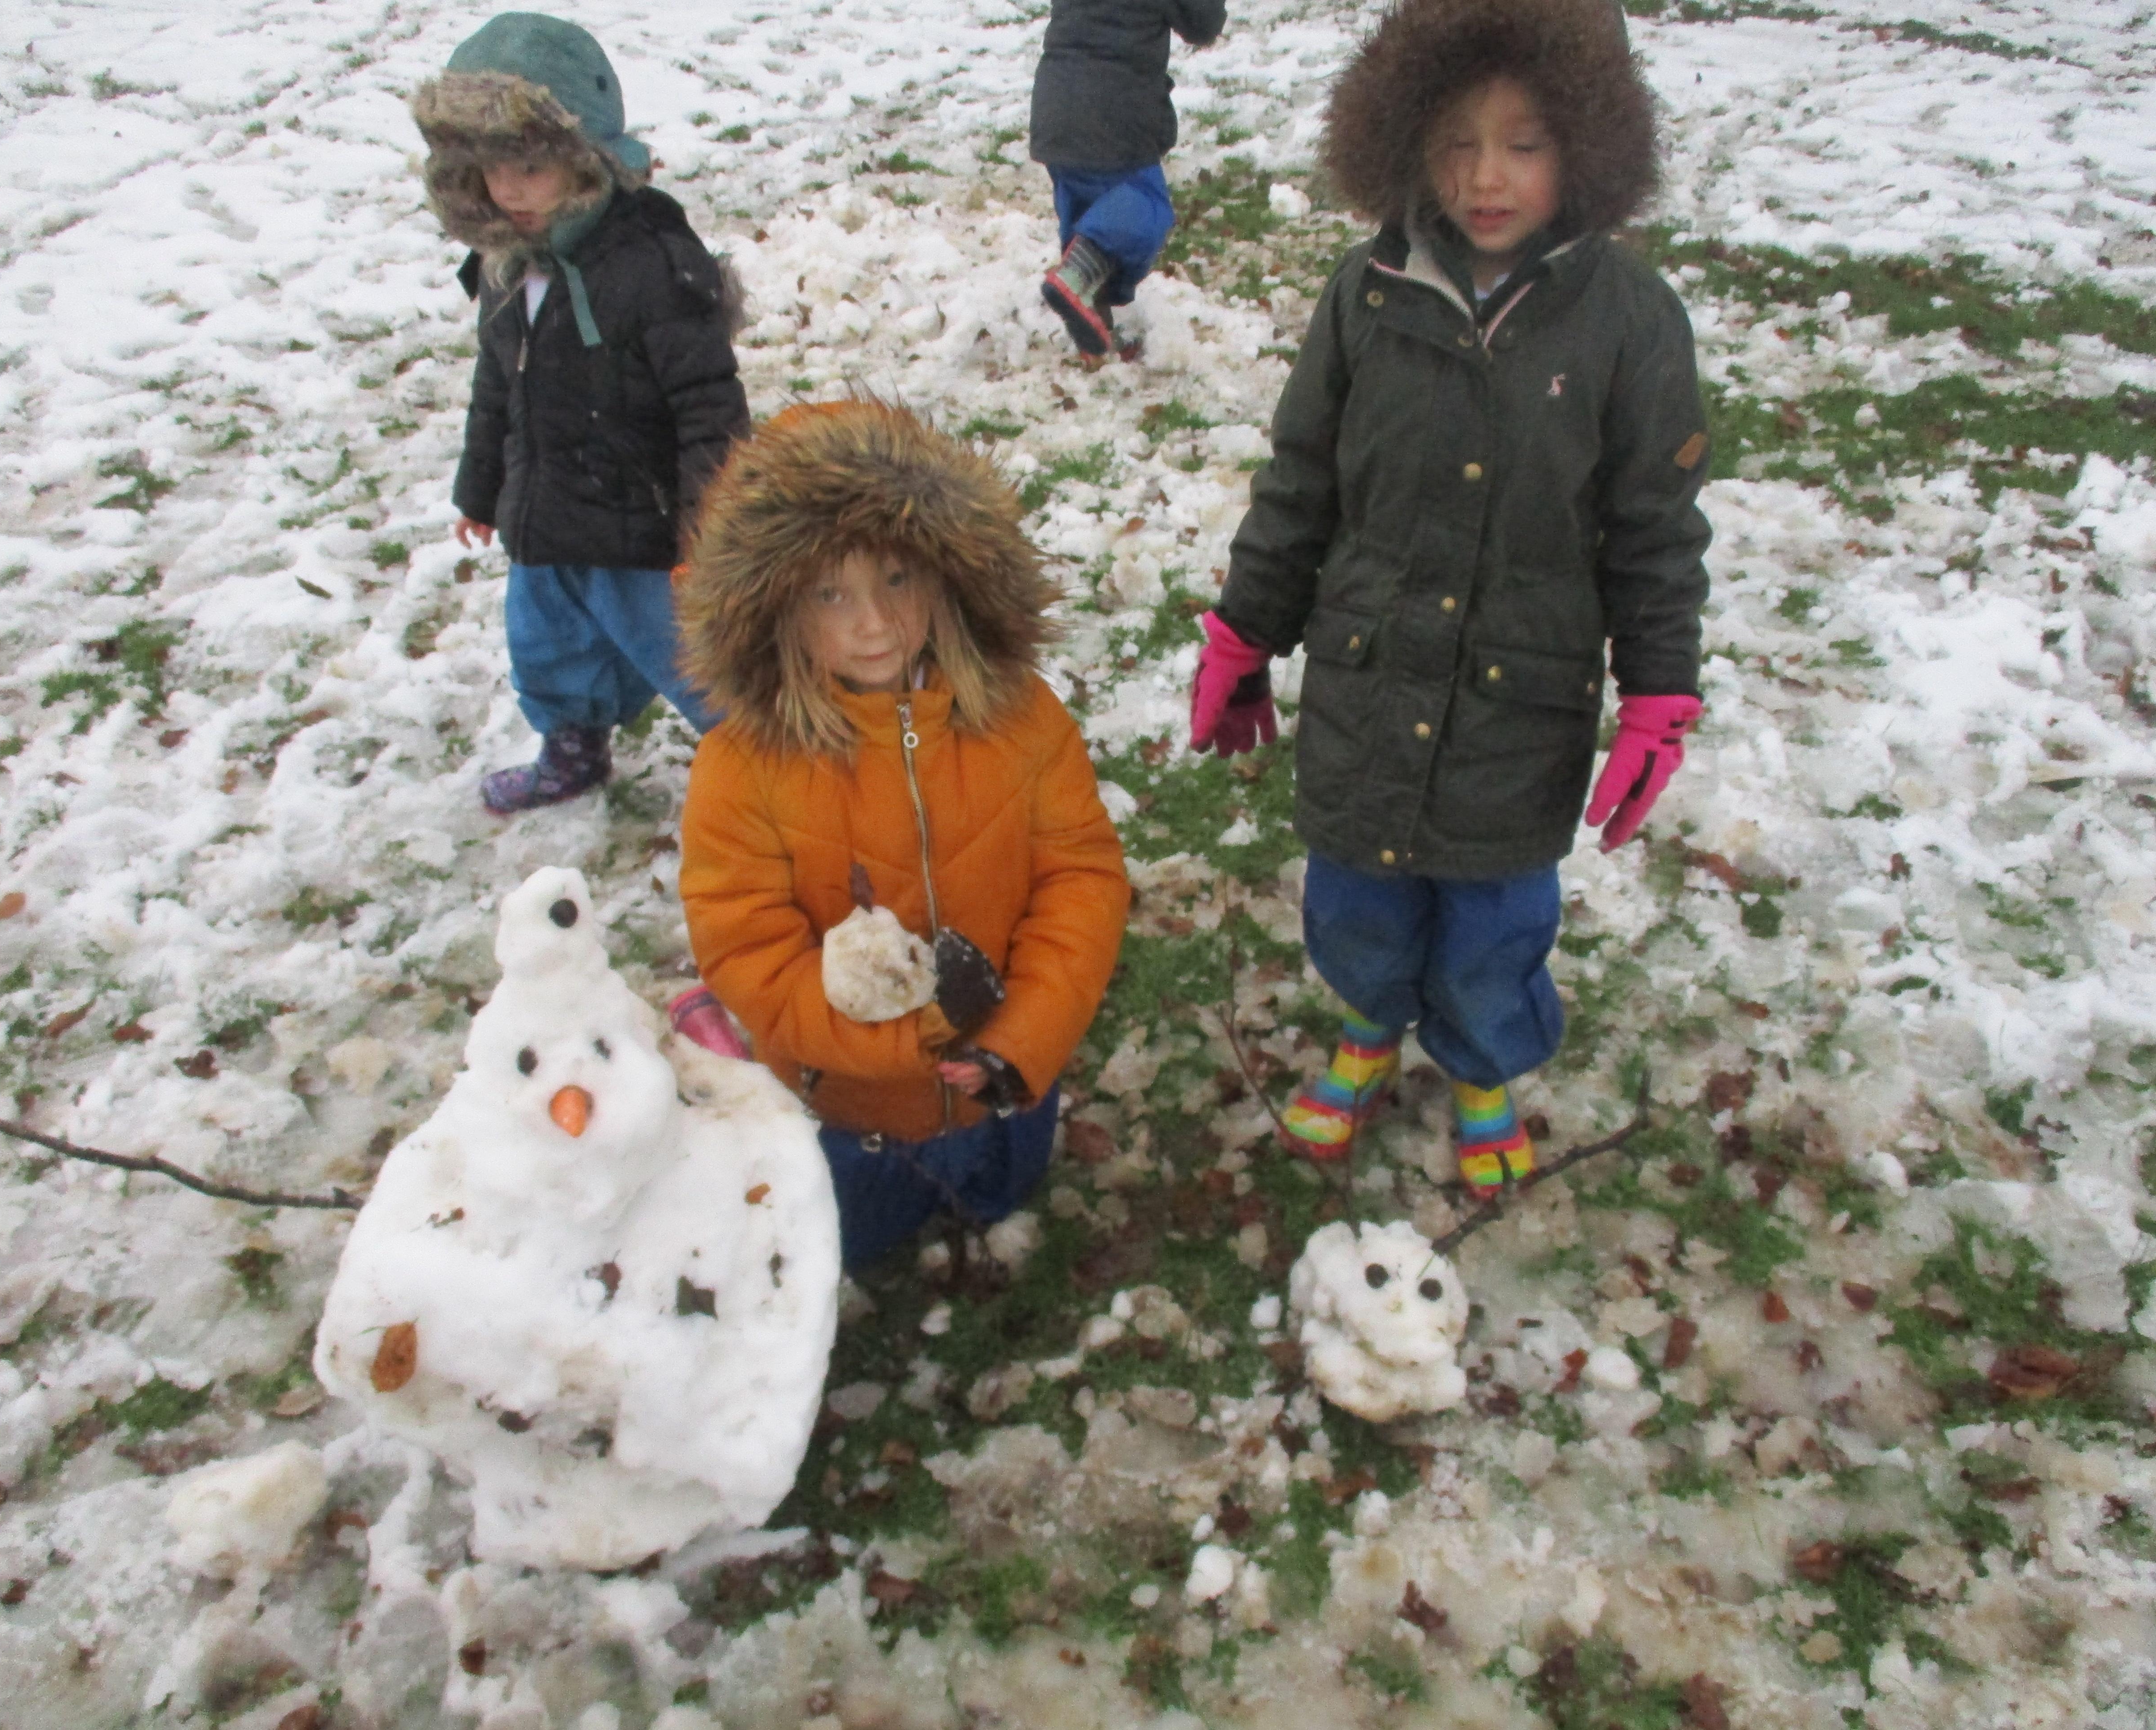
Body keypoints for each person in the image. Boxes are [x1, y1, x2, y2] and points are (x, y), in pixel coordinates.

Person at [1188, 0, 1710, 1190]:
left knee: (1493, 920)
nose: (1485, 178)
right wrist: (1244, 631)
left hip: (1518, 701)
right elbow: (1302, 481)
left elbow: (1654, 532)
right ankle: (1368, 1027)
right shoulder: (1366, 293)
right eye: (1454, 143)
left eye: (1524, 144)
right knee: (1357, 898)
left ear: (1587, 144)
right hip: (1370, 681)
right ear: (1402, 141)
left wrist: (1658, 695)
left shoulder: (1629, 320)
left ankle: (1481, 1066)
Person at [673, 401, 1132, 1267]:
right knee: (856, 1241)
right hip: (853, 1109)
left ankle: (991, 1194)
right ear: (776, 607)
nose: (874, 623)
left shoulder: (1021, 717)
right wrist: (899, 1044)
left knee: (1003, 1194)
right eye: (830, 594)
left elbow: (1081, 878)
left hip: (1006, 1085)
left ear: (945, 574)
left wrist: (1020, 1038)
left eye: (895, 579)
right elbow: (747, 946)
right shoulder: (744, 766)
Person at [413, 12, 750, 814]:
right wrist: (480, 489)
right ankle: (572, 749)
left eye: (532, 166)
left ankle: (772, 770)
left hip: (643, 531)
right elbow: (497, 386)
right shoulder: (505, 265)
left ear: (586, 157)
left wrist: (712, 522)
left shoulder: (651, 265)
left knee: (694, 660)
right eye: (492, 168)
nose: (510, 190)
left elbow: (709, 406)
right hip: (545, 515)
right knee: (550, 645)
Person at [1029, 0, 1227, 358]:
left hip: (1055, 108)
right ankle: (1076, 280)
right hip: (1115, 114)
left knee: (1088, 222)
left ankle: (1092, 330)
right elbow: (1202, 23)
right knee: (1145, 209)